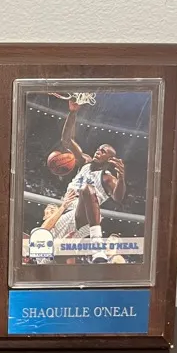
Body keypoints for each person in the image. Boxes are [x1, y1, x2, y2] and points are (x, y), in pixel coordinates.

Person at [52, 98, 126, 262]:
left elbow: (118, 198)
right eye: (99, 149)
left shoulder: (108, 178)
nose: (98, 151)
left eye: (103, 151)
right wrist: (73, 113)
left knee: (87, 189)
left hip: (84, 217)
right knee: (51, 255)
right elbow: (66, 140)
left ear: (109, 159)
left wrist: (121, 178)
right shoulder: (85, 161)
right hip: (67, 209)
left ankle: (97, 247)